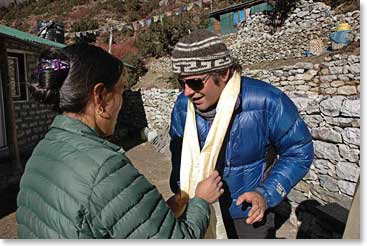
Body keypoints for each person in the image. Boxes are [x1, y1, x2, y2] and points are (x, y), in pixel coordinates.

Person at [16, 43, 224, 239]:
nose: (122, 101)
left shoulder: (42, 152)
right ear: (100, 97)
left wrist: (160, 216)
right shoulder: (105, 169)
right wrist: (201, 200)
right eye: (121, 90)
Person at [168, 29, 314, 239]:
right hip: (197, 209)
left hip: (247, 215)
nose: (187, 92)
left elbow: (298, 150)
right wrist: (182, 191)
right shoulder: (183, 107)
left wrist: (265, 194)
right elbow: (178, 154)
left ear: (224, 73)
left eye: (195, 82)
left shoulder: (268, 102)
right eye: (181, 82)